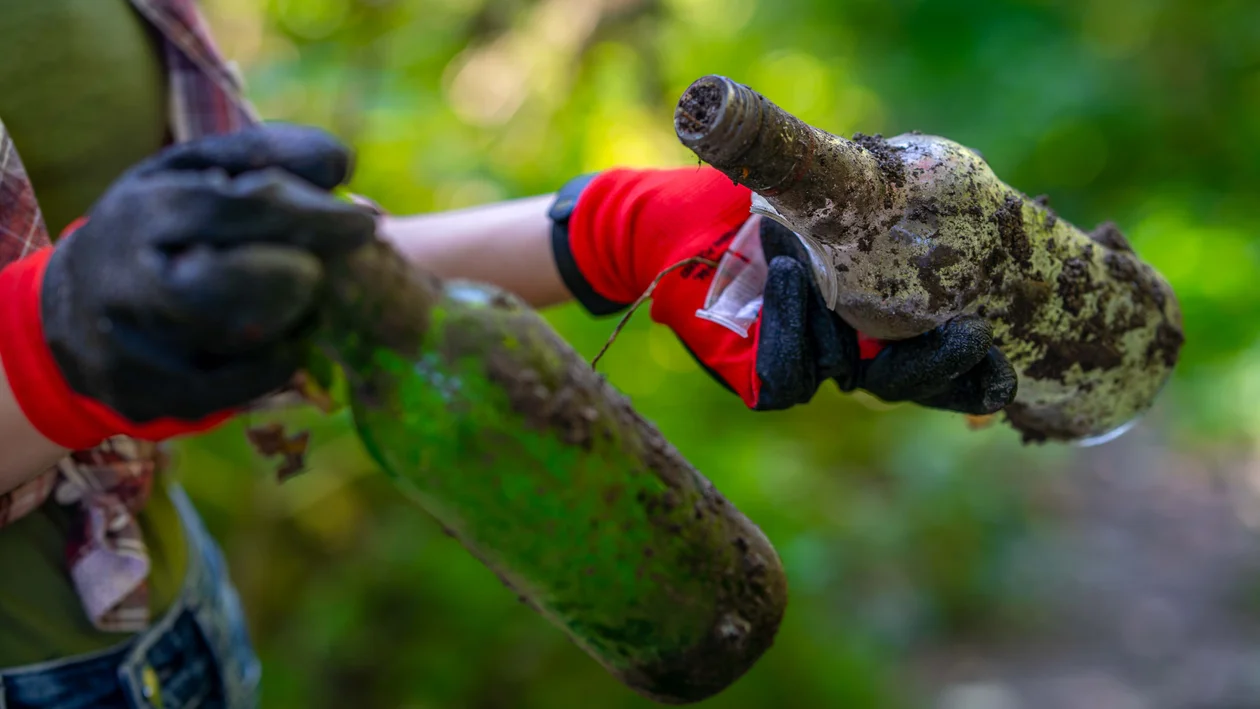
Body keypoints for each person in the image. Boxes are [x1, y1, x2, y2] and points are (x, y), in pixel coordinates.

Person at [0, 0, 1016, 706]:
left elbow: (222, 274)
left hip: (170, 634)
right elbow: (89, 311)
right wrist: (56, 346)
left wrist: (614, 231)